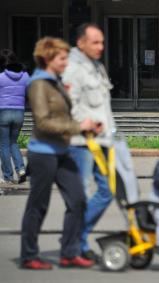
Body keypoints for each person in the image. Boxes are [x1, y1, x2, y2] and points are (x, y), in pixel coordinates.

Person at [20, 37, 98, 269]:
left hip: (63, 151)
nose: (66, 62)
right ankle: (29, 256)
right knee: (38, 205)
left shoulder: (55, 82)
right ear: (47, 58)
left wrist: (89, 127)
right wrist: (78, 127)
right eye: (62, 58)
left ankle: (69, 252)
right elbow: (43, 123)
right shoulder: (38, 85)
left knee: (78, 200)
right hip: (43, 154)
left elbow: (62, 117)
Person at [62, 23, 116, 261]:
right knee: (80, 196)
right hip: (80, 144)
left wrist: (113, 135)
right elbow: (67, 105)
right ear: (80, 42)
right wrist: (85, 125)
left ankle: (76, 238)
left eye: (102, 42)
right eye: (95, 42)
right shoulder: (72, 68)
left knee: (108, 191)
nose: (101, 47)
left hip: (101, 142)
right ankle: (75, 245)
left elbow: (103, 106)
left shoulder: (96, 67)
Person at [0, 49, 28, 184]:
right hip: (20, 112)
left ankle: (8, 176)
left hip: (3, 112)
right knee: (13, 142)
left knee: (4, 145)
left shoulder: (0, 77)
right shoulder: (25, 76)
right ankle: (21, 169)